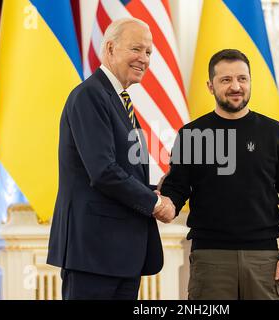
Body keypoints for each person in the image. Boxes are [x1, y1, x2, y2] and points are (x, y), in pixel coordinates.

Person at [47, 18, 175, 300]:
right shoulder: (90, 96)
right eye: (136, 49)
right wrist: (155, 203)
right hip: (94, 253)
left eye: (149, 52)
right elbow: (104, 171)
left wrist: (157, 188)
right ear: (110, 49)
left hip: (121, 254)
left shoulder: (118, 100)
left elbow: (125, 168)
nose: (144, 59)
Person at [160, 49, 279, 300]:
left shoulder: (275, 133)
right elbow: (177, 189)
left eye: (242, 78)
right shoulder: (191, 135)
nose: (236, 86)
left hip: (264, 259)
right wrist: (162, 203)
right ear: (210, 86)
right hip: (210, 258)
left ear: (250, 81)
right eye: (226, 80)